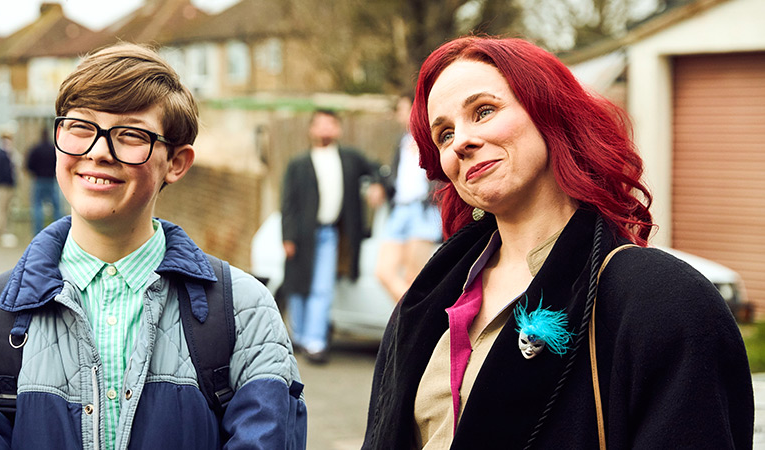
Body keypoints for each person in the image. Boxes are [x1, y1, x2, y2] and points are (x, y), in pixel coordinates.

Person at [363, 36, 753, 449]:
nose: (460, 141)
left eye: (484, 111)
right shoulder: (425, 303)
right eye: (444, 135)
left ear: (550, 112)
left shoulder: (664, 302)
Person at [0, 43, 306, 449]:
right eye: (80, 127)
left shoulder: (242, 312)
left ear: (176, 162)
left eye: (129, 135)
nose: (97, 151)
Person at [281, 109, 385, 364]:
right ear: (312, 130)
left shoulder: (350, 158)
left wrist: (377, 184)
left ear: (338, 129)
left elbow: (376, 168)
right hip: (303, 235)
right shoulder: (298, 164)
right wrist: (287, 237)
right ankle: (301, 336)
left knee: (322, 288)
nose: (326, 129)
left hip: (332, 235)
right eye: (321, 125)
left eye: (331, 124)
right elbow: (288, 203)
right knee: (298, 288)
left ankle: (315, 343)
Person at [374, 94, 442, 301]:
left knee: (414, 276)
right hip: (400, 210)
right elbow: (393, 176)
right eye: (401, 111)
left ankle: (412, 326)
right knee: (384, 272)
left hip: (423, 210)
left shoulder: (433, 138)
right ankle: (411, 316)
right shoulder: (401, 142)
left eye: (408, 109)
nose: (404, 115)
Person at [25, 127, 62, 235]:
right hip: (51, 180)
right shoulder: (53, 149)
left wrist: (35, 173)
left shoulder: (35, 149)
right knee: (57, 207)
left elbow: (28, 165)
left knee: (37, 206)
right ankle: (59, 231)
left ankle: (37, 232)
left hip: (39, 180)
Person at [0, 130, 18, 246]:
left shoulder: (6, 153)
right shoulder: (1, 154)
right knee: (2, 209)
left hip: (6, 185)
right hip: (4, 185)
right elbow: (2, 170)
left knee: (5, 209)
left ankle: (2, 230)